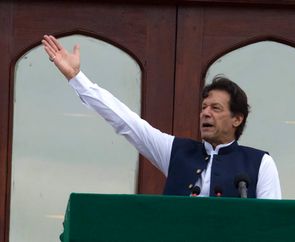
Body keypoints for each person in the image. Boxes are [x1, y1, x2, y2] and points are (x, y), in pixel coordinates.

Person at [42, 35, 281, 199]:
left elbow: (273, 224)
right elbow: (126, 121)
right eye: (204, 107)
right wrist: (76, 77)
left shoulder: (260, 164)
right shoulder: (176, 152)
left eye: (216, 108)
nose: (206, 113)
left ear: (236, 119)